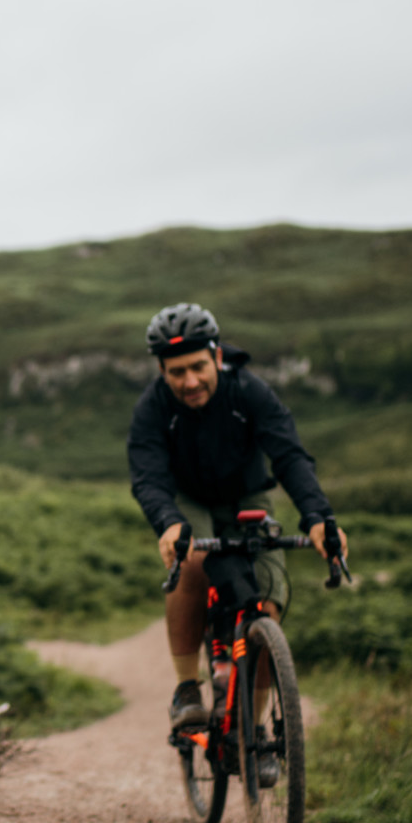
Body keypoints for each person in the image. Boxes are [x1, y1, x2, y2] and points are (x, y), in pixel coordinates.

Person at [126, 303, 344, 731]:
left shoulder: (250, 392)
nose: (189, 382)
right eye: (176, 373)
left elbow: (288, 456)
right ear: (161, 370)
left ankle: (253, 727)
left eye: (198, 367)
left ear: (218, 357)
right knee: (191, 560)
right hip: (188, 500)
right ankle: (187, 688)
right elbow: (148, 476)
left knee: (266, 607)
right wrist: (168, 521)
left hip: (247, 496)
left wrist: (318, 515)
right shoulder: (152, 408)